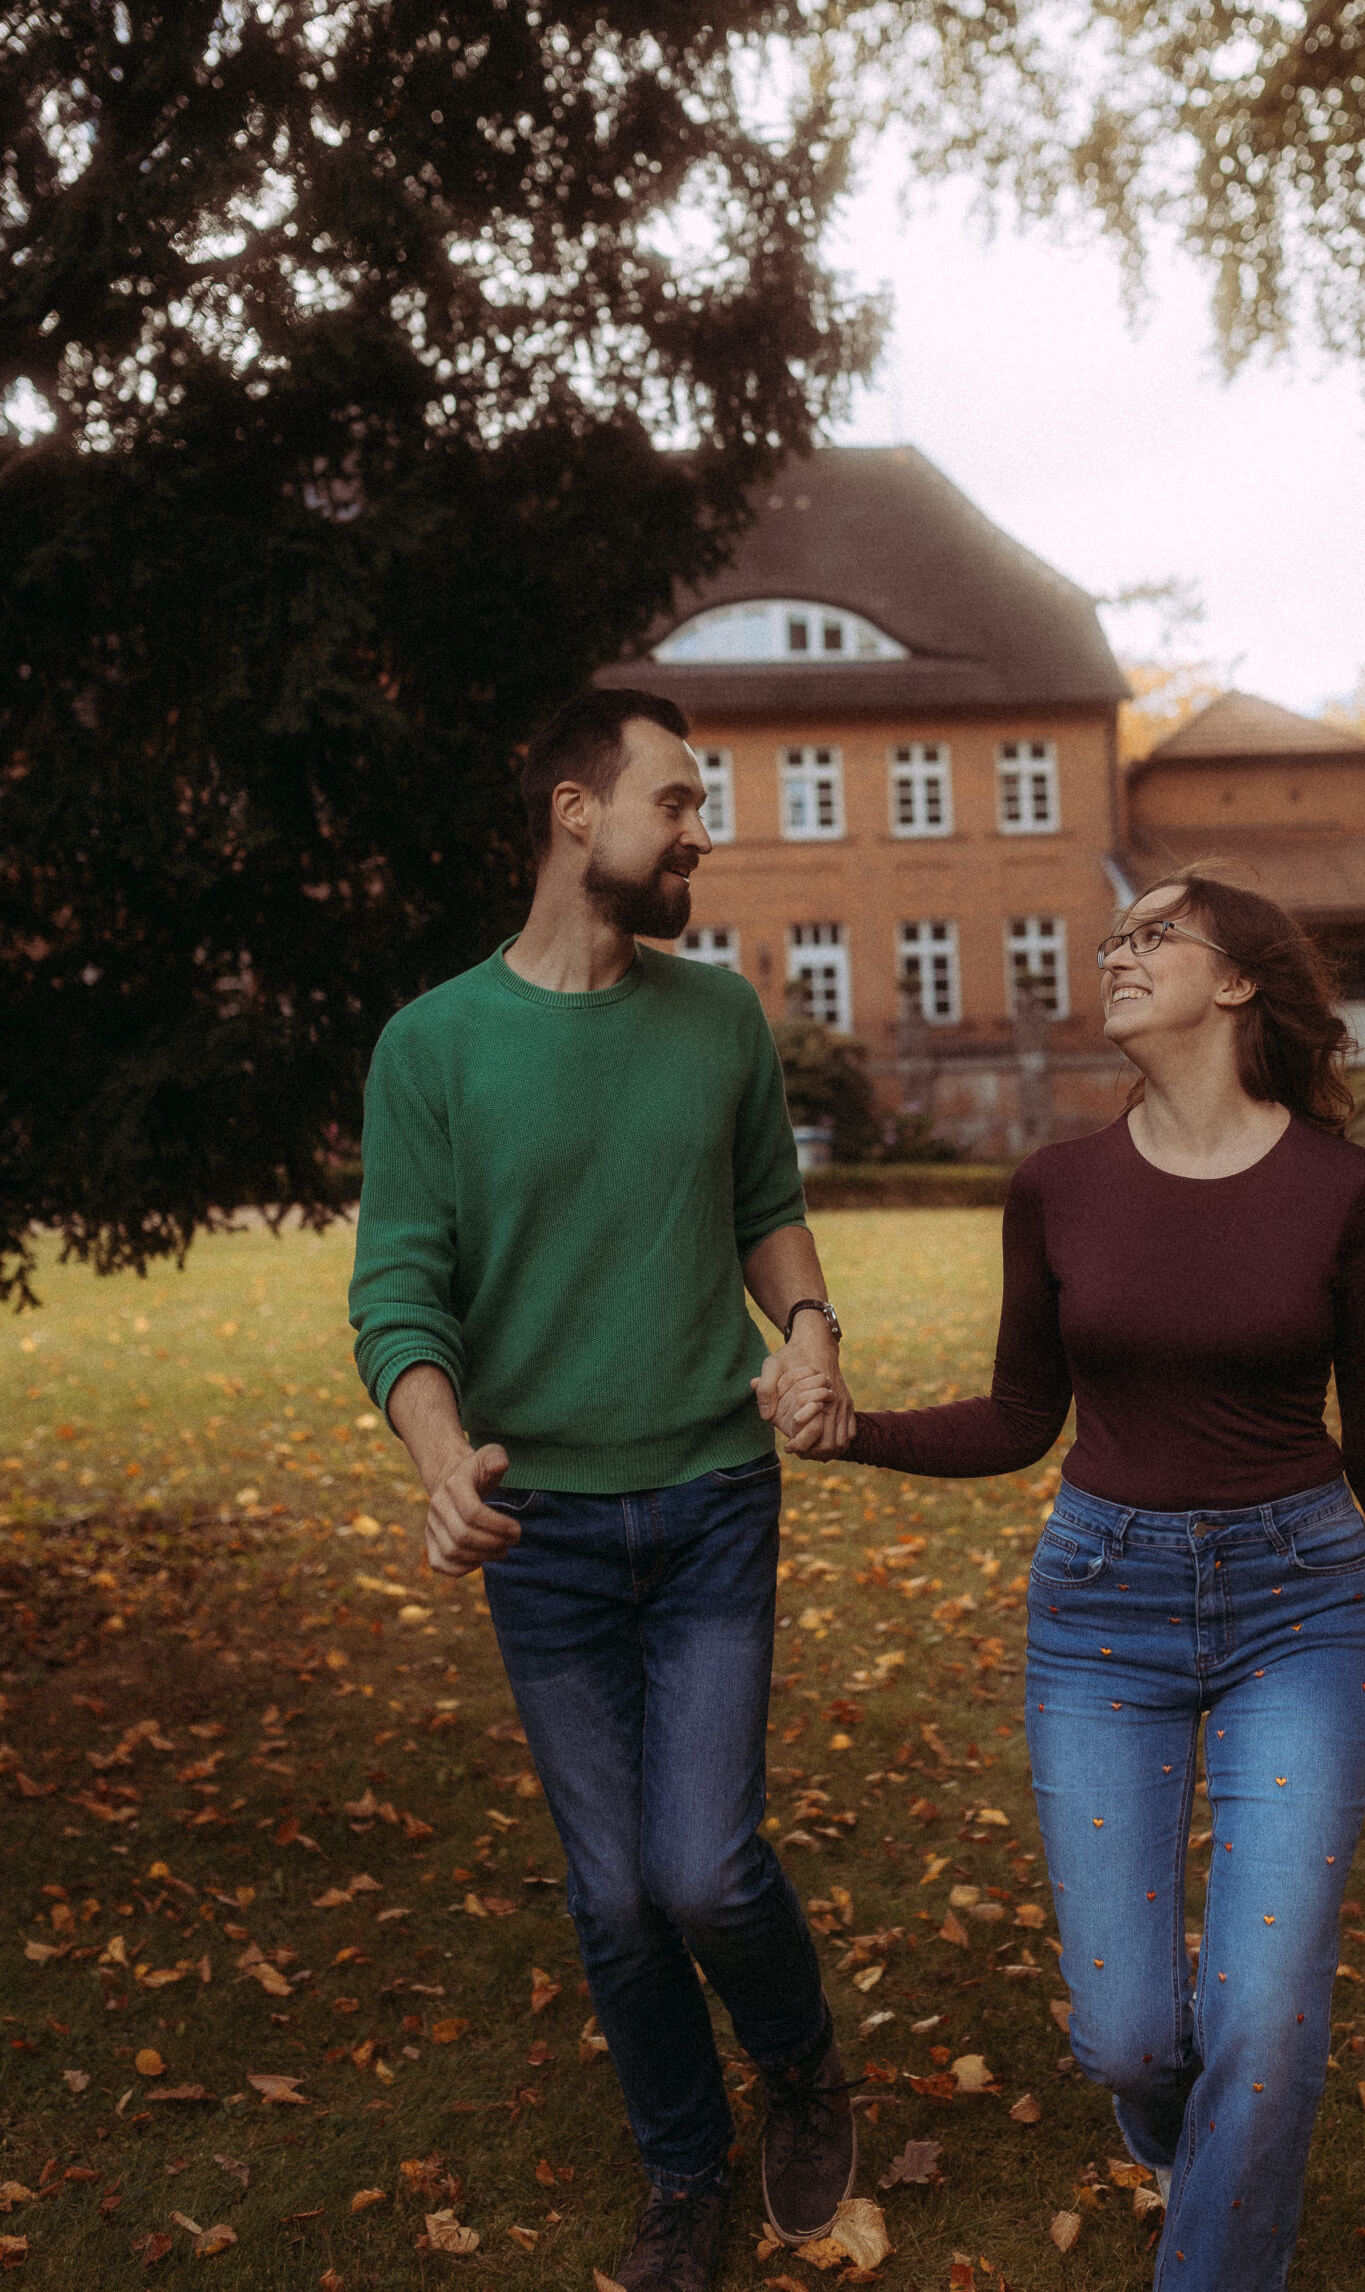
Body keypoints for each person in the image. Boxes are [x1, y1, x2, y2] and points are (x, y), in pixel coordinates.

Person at [770, 869, 1365, 2292]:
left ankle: (1218, 2247)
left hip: (1302, 1608)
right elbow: (1018, 1418)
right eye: (1115, 938)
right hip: (1104, 1611)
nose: (1117, 954)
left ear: (1237, 980)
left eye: (1155, 934)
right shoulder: (1058, 1188)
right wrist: (858, 1432)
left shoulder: (1346, 1193)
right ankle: (1197, 2151)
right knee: (1128, 2040)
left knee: (1264, 2023)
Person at [349, 687, 861, 2292]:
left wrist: (812, 1330)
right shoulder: (433, 1045)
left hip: (709, 1497)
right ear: (578, 814)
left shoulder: (716, 1021)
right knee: (617, 1897)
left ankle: (805, 2065)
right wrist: (443, 1460)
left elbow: (767, 1211)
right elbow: (398, 1292)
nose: (703, 831)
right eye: (678, 802)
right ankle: (681, 2170)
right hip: (546, 1529)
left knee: (703, 1868)